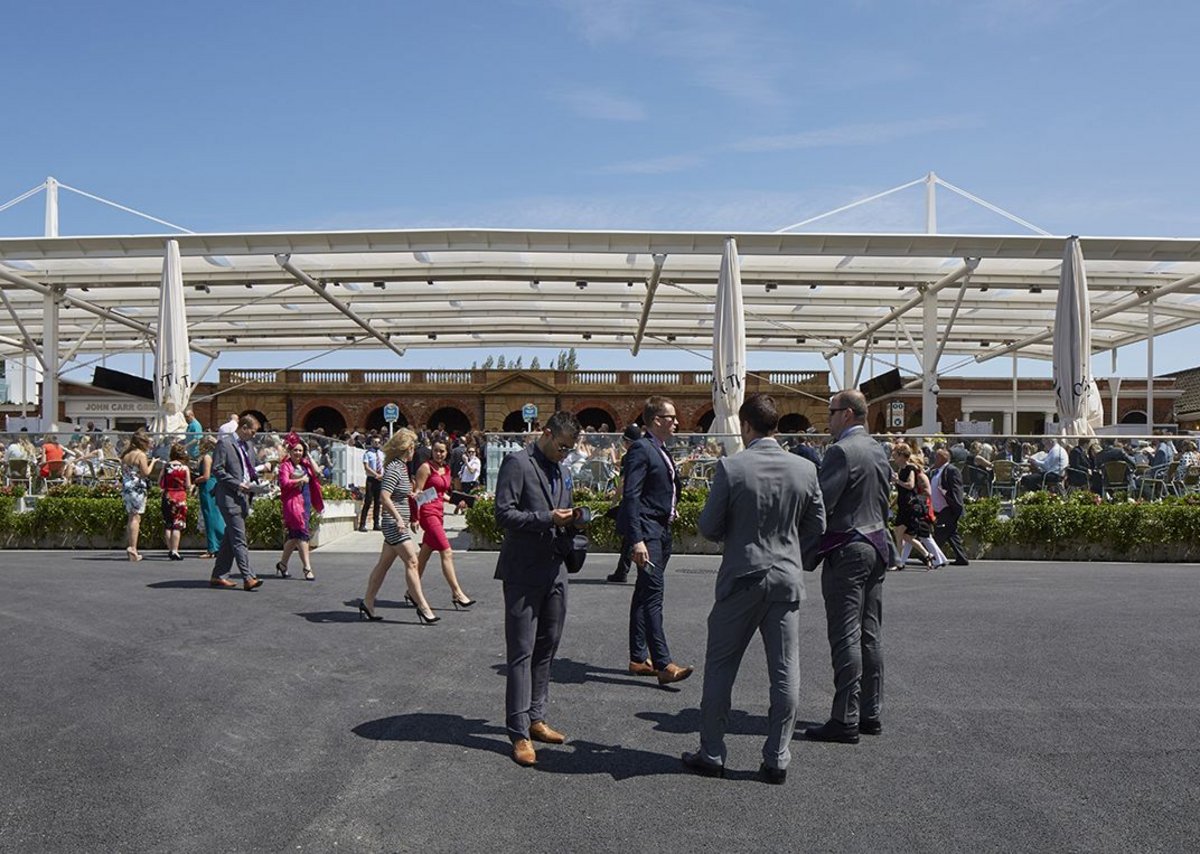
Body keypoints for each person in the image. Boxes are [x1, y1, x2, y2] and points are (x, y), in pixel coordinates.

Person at [681, 394, 825, 785]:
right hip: (786, 579)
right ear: (776, 425)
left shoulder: (732, 467)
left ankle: (712, 751)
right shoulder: (804, 469)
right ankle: (777, 757)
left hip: (742, 577)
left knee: (721, 669)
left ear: (745, 426)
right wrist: (792, 552)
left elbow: (709, 527)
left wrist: (739, 532)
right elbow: (817, 526)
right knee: (785, 672)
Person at [493, 411, 582, 767]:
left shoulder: (561, 468)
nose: (564, 454)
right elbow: (504, 513)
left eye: (569, 450)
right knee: (521, 653)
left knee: (547, 650)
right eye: (561, 446)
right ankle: (518, 732)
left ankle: (536, 717)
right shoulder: (517, 463)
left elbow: (561, 508)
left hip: (555, 570)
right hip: (523, 571)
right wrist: (548, 518)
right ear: (545, 433)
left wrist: (574, 517)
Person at [804, 389, 892, 745]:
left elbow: (820, 505)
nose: (828, 418)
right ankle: (871, 711)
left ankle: (845, 717)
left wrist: (805, 548)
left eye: (831, 412)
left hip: (849, 547)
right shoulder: (877, 449)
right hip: (878, 545)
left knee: (845, 635)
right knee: (870, 632)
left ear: (848, 415)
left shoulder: (841, 451)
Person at [616, 396, 693, 686]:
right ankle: (663, 663)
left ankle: (638, 658)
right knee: (653, 596)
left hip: (661, 530)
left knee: (643, 593)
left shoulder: (660, 449)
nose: (676, 421)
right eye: (671, 417)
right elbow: (631, 495)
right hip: (648, 532)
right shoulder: (641, 449)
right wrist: (636, 539)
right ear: (656, 420)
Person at [359, 429, 438, 623]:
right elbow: (384, 497)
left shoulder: (401, 467)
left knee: (383, 565)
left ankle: (367, 602)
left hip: (397, 523)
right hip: (394, 524)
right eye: (413, 447)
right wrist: (399, 518)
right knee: (412, 561)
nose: (415, 451)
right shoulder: (395, 467)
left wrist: (413, 496)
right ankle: (423, 606)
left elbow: (397, 495)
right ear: (407, 448)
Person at [414, 439, 474, 608]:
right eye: (436, 450)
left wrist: (458, 502)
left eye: (442, 451)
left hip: (439, 513)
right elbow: (417, 493)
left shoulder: (446, 469)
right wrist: (414, 517)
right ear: (431, 451)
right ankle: (457, 593)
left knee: (424, 555)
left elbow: (442, 494)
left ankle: (411, 591)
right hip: (427, 513)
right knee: (446, 552)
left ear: (447, 452)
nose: (439, 454)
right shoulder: (425, 468)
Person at [210, 414, 264, 591]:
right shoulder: (224, 444)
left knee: (230, 538)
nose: (254, 435)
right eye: (253, 431)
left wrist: (263, 470)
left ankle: (218, 575)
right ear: (244, 428)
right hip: (229, 498)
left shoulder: (248, 445)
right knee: (239, 538)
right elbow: (217, 470)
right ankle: (248, 577)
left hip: (243, 498)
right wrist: (237, 484)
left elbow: (250, 468)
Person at [275, 435, 324, 581]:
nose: (298, 453)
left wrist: (308, 454)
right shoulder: (285, 466)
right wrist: (300, 480)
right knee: (302, 534)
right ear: (290, 451)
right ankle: (307, 568)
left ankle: (282, 564)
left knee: (294, 535)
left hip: (306, 501)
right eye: (295, 450)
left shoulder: (305, 464)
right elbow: (284, 483)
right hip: (292, 502)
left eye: (300, 450)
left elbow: (317, 472)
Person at [606, 424, 644, 583]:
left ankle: (623, 572)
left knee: (631, 539)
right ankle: (624, 571)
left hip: (632, 502)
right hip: (647, 502)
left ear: (627, 442)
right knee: (635, 539)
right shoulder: (648, 453)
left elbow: (623, 481)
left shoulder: (629, 457)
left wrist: (614, 500)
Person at [890, 444, 936, 570]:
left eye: (895, 455)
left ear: (901, 456)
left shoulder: (910, 469)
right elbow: (901, 492)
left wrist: (897, 481)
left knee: (898, 533)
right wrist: (892, 504)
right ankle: (927, 555)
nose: (893, 457)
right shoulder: (901, 469)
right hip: (903, 505)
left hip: (910, 506)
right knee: (906, 536)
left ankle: (898, 562)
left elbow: (910, 485)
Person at [930, 448, 970, 566]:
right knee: (951, 533)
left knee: (940, 532)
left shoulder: (951, 470)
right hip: (939, 508)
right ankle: (962, 558)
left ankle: (931, 556)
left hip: (948, 508)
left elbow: (956, 490)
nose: (934, 459)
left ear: (942, 458)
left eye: (936, 457)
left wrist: (947, 495)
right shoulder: (938, 471)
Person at [120, 431, 155, 562]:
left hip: (127, 487)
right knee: (136, 518)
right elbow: (146, 473)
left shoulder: (126, 454)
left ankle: (131, 546)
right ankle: (133, 547)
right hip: (138, 488)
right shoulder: (141, 455)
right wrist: (153, 463)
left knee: (131, 517)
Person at [159, 442, 191, 561]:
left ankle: (169, 549)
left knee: (168, 524)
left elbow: (160, 482)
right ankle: (175, 550)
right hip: (180, 497)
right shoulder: (184, 468)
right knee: (177, 525)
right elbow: (188, 484)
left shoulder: (166, 466)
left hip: (167, 495)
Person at [195, 436, 225, 558]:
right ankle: (219, 544)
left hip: (207, 486)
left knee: (210, 516)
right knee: (215, 515)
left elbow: (206, 476)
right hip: (214, 485)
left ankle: (212, 547)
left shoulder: (207, 457)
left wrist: (195, 480)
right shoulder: (215, 455)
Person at [358, 436, 384, 531]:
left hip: (380, 480)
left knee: (378, 502)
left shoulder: (381, 454)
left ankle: (376, 523)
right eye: (375, 442)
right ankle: (362, 524)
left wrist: (381, 475)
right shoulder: (368, 454)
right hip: (371, 479)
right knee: (368, 501)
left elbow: (383, 465)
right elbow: (366, 467)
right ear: (372, 443)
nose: (377, 444)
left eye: (378, 442)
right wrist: (376, 474)